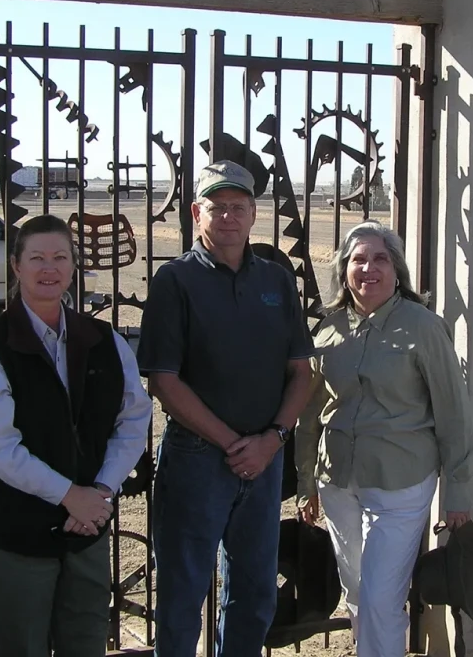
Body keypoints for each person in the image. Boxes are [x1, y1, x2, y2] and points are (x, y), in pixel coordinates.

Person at [136, 160, 315, 657]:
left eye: (239, 207)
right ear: (197, 213)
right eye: (217, 207)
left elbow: (301, 372)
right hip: (198, 461)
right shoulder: (175, 281)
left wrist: (272, 440)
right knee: (182, 596)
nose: (229, 217)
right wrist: (236, 445)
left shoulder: (277, 281)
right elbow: (164, 381)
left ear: (254, 213)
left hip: (264, 461)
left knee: (254, 595)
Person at [0, 213, 153, 656]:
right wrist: (70, 495)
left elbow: (134, 416)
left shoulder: (103, 340)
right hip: (18, 535)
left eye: (60, 257)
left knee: (85, 642)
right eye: (37, 258)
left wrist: (100, 490)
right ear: (16, 266)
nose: (49, 268)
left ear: (72, 266)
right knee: (22, 646)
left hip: (87, 529)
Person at [295, 221, 473, 657]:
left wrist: (459, 490)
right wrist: (306, 482)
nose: (368, 268)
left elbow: (454, 413)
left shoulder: (423, 328)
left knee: (380, 597)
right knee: (357, 588)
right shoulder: (328, 330)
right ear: (344, 270)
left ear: (396, 269)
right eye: (358, 259)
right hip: (336, 480)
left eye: (380, 258)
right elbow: (308, 414)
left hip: (401, 483)